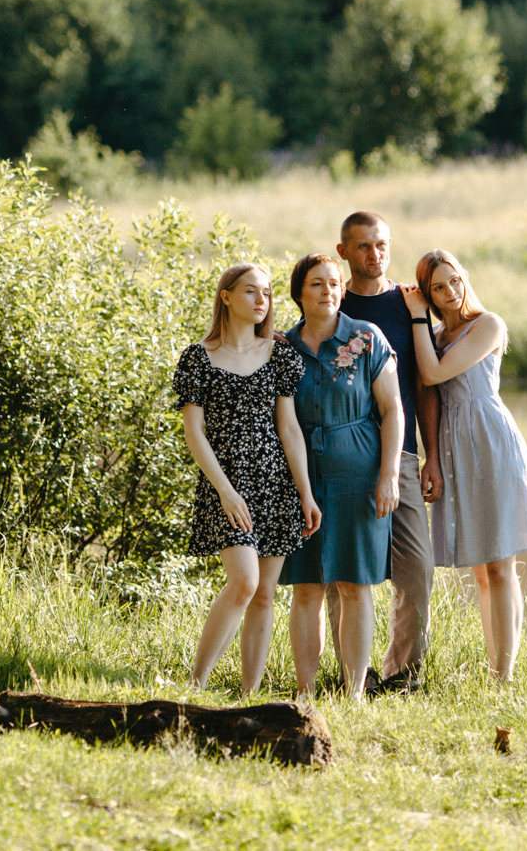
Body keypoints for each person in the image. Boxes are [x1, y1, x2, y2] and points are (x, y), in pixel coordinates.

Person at [401, 248, 527, 681]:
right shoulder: (434, 337)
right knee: (482, 571)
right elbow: (426, 392)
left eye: (455, 280)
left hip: (490, 441)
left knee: (501, 565)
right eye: (438, 287)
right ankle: (495, 667)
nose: (451, 291)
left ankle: (504, 676)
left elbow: (433, 374)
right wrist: (431, 457)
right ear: (429, 294)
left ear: (464, 277)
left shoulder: (488, 325)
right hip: (453, 448)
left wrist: (416, 317)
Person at [173, 262, 321, 695]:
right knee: (244, 582)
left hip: (274, 483)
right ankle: (195, 685)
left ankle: (248, 696)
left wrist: (305, 493)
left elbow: (289, 428)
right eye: (251, 291)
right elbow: (194, 432)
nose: (262, 300)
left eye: (267, 293)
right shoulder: (198, 357)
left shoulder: (279, 355)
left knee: (264, 594)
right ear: (226, 296)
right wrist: (225, 491)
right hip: (225, 485)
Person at [278, 253, 403, 698]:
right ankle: (305, 691)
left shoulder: (367, 338)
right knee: (306, 587)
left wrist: (389, 475)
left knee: (355, 585)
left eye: (334, 283)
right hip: (300, 475)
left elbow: (393, 410)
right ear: (299, 293)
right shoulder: (282, 347)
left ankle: (354, 693)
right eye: (317, 284)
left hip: (360, 472)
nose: (328, 291)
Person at [334, 210, 439, 691]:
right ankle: (355, 675)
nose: (374, 254)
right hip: (342, 460)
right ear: (343, 252)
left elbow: (424, 385)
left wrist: (433, 455)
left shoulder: (409, 303)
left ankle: (404, 674)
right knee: (342, 573)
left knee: (416, 571)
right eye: (363, 246)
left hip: (402, 458)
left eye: (381, 244)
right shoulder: (330, 303)